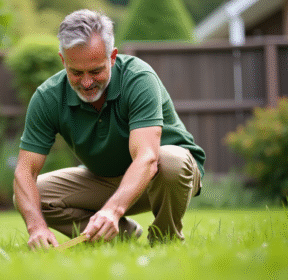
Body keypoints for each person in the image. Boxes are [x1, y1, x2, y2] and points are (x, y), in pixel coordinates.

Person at [13, 9, 205, 250]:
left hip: (164, 176)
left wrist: (112, 210)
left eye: (95, 71)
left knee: (169, 161)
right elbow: (24, 172)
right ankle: (119, 236)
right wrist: (36, 227)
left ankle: (165, 241)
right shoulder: (48, 97)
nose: (86, 82)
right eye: (76, 72)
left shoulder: (138, 78)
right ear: (64, 61)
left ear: (112, 57)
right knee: (34, 194)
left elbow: (147, 158)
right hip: (103, 179)